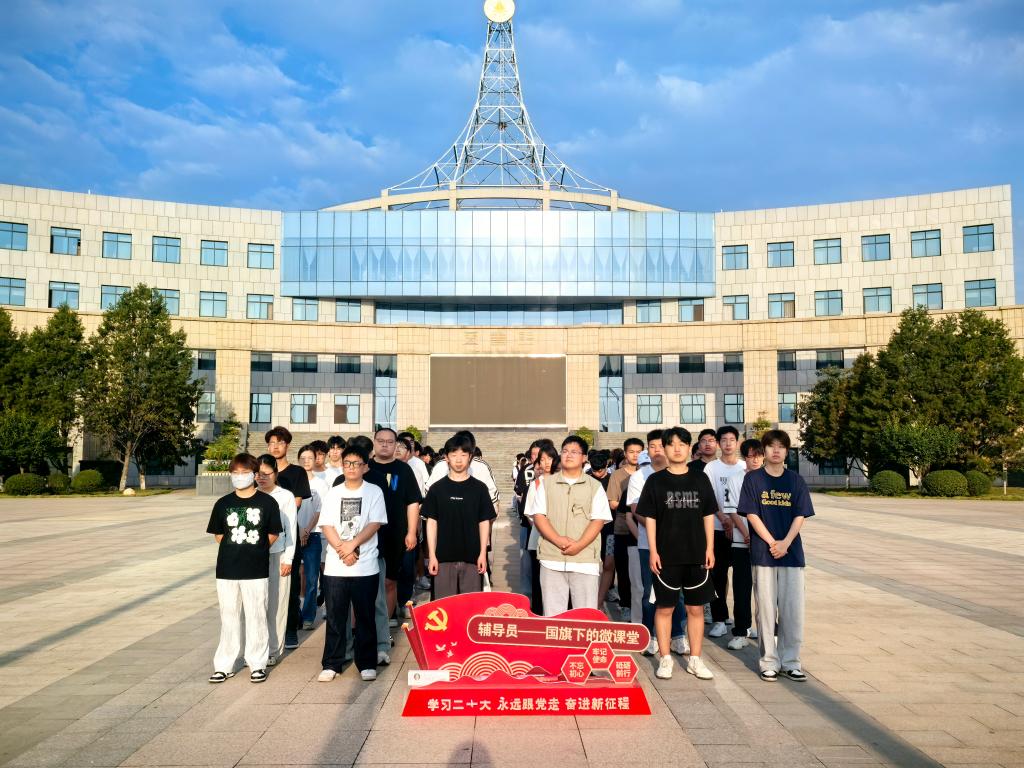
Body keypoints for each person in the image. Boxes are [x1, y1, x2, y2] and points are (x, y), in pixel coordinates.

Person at [638, 427, 718, 681]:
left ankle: (695, 659)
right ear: (664, 448)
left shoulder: (700, 479)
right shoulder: (656, 481)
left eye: (682, 444)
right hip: (666, 556)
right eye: (671, 444)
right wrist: (653, 551)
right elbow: (650, 518)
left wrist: (710, 548)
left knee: (696, 609)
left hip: (696, 554)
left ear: (688, 448)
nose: (677, 448)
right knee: (665, 608)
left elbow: (708, 514)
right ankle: (665, 658)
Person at [738, 429, 814, 682]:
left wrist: (786, 543)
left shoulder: (795, 480)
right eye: (771, 446)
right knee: (766, 610)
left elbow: (800, 515)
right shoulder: (753, 480)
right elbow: (751, 514)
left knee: (793, 610)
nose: (776, 451)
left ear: (787, 451)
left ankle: (791, 661)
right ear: (765, 450)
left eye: (781, 446)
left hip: (792, 554)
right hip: (764, 553)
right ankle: (769, 661)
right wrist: (772, 543)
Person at [207, 453, 283, 684]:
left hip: (256, 569)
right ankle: (225, 664)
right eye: (235, 472)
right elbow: (219, 535)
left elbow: (273, 533)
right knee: (229, 615)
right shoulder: (223, 503)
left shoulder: (267, 503)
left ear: (254, 474)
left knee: (256, 615)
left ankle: (257, 664)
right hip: (227, 569)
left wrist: (255, 549)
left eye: (244, 472)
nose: (239, 476)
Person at [317, 444, 387, 682]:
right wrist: (342, 548)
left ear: (365, 467)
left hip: (365, 565)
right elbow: (326, 524)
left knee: (365, 616)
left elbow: (374, 523)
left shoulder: (374, 491)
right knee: (336, 616)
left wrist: (352, 545)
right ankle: (332, 663)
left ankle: (366, 663)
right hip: (336, 565)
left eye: (357, 464)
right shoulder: (334, 492)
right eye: (347, 463)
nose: (351, 467)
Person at [526, 435, 612, 616]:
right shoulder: (546, 484)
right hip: (551, 558)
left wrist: (579, 545)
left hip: (584, 560)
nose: (568, 455)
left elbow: (598, 520)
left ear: (584, 457)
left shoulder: (595, 486)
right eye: (565, 451)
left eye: (574, 452)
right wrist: (557, 540)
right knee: (553, 616)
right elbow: (539, 516)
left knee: (585, 616)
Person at [630, 430, 689, 657]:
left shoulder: (681, 474)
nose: (657, 450)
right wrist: (663, 527)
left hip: (678, 545)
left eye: (660, 446)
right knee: (649, 591)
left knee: (678, 593)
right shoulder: (639, 477)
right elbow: (636, 511)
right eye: (652, 446)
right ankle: (650, 635)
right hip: (648, 544)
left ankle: (677, 635)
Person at [423, 433, 496, 598]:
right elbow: (431, 523)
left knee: (471, 607)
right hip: (442, 559)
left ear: (470, 457)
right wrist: (432, 555)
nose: (458, 459)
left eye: (463, 455)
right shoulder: (437, 489)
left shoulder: (480, 489)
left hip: (472, 558)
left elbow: (484, 522)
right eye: (454, 454)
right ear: (446, 458)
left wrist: (482, 554)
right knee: (443, 607)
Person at [368, 428, 422, 629]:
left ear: (395, 445)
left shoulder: (403, 470)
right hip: (368, 535)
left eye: (390, 442)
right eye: (380, 441)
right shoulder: (366, 468)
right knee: (369, 581)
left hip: (395, 533)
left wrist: (411, 532)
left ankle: (389, 619)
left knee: (391, 579)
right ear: (374, 442)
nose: (385, 445)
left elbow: (413, 502)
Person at [264, 426, 310, 651]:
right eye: (271, 442)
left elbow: (297, 502)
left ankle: (290, 629)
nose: (275, 446)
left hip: (287, 534)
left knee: (290, 585)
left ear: (287, 446)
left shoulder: (296, 472)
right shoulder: (261, 470)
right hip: (264, 537)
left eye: (280, 442)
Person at [255, 454, 297, 666]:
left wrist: (288, 558)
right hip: (253, 557)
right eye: (258, 474)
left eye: (266, 473)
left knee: (276, 604)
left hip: (277, 554)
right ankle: (256, 649)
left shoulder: (285, 496)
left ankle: (273, 649)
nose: (261, 478)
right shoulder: (250, 494)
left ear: (276, 473)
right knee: (256, 605)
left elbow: (291, 530)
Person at [703, 425, 744, 639]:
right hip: (718, 529)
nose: (728, 444)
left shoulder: (744, 466)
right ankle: (719, 619)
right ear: (719, 444)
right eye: (724, 440)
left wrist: (735, 523)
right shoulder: (711, 468)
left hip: (741, 531)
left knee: (742, 579)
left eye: (732, 440)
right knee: (717, 576)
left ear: (738, 443)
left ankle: (743, 622)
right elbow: (709, 497)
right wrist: (723, 519)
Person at [727, 439, 764, 649]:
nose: (755, 460)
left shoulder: (770, 478)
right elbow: (732, 510)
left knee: (767, 591)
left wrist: (760, 536)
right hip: (741, 543)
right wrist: (747, 534)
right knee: (741, 589)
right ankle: (741, 631)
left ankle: (770, 631)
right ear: (744, 458)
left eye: (758, 455)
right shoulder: (735, 479)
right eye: (751, 456)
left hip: (766, 544)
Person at [607, 438, 644, 621]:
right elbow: (612, 502)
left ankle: (642, 607)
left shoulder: (648, 473)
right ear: (625, 453)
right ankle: (625, 605)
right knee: (624, 570)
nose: (635, 455)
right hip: (623, 528)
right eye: (631, 452)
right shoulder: (617, 475)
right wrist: (632, 506)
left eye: (638, 451)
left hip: (646, 527)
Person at [297, 444, 329, 630]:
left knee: (311, 578)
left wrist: (307, 529)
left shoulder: (320, 484)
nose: (307, 461)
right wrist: (299, 529)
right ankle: (295, 614)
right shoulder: (291, 481)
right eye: (303, 458)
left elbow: (320, 509)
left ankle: (308, 616)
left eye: (310, 458)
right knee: (294, 577)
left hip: (314, 534)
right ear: (298, 460)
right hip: (294, 534)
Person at [524, 442, 558, 615]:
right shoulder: (536, 484)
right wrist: (543, 530)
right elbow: (530, 514)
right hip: (538, 538)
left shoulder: (562, 482)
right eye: (542, 459)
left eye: (550, 458)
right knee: (538, 580)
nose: (546, 463)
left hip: (560, 539)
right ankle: (537, 613)